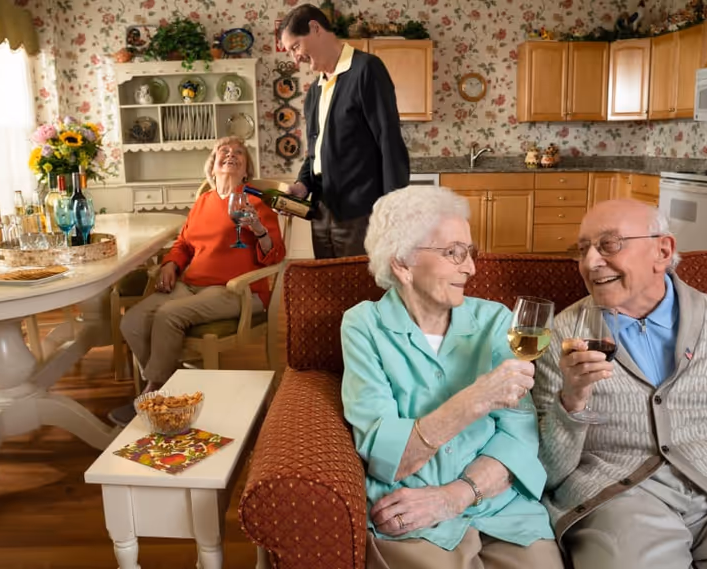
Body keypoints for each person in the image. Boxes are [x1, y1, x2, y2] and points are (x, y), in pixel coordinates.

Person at [534, 199, 707, 568]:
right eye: (582, 249)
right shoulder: (562, 335)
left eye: (609, 245)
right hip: (621, 502)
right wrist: (571, 402)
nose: (590, 263)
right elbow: (546, 472)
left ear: (663, 251)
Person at [341, 186, 563, 569]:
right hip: (412, 516)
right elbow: (386, 455)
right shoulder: (365, 326)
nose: (471, 268)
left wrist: (456, 496)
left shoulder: (495, 320)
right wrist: (475, 400)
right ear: (402, 263)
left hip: (503, 510)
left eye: (470, 252)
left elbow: (520, 434)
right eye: (454, 253)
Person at [109, 137, 285, 425]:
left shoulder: (257, 203)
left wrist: (258, 228)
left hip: (236, 290)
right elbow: (184, 244)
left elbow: (276, 254)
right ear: (212, 167)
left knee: (168, 315)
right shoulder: (203, 201)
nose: (231, 155)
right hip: (190, 285)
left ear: (246, 170)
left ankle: (154, 393)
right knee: (132, 321)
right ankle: (171, 385)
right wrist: (170, 264)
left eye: (239, 153)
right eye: (224, 152)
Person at [279, 3, 410, 259]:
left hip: (362, 214)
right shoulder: (314, 91)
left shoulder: (366, 69)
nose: (295, 59)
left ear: (315, 28)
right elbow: (315, 153)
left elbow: (389, 142)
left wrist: (393, 212)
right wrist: (302, 185)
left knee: (361, 283)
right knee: (331, 283)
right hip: (322, 213)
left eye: (295, 47)